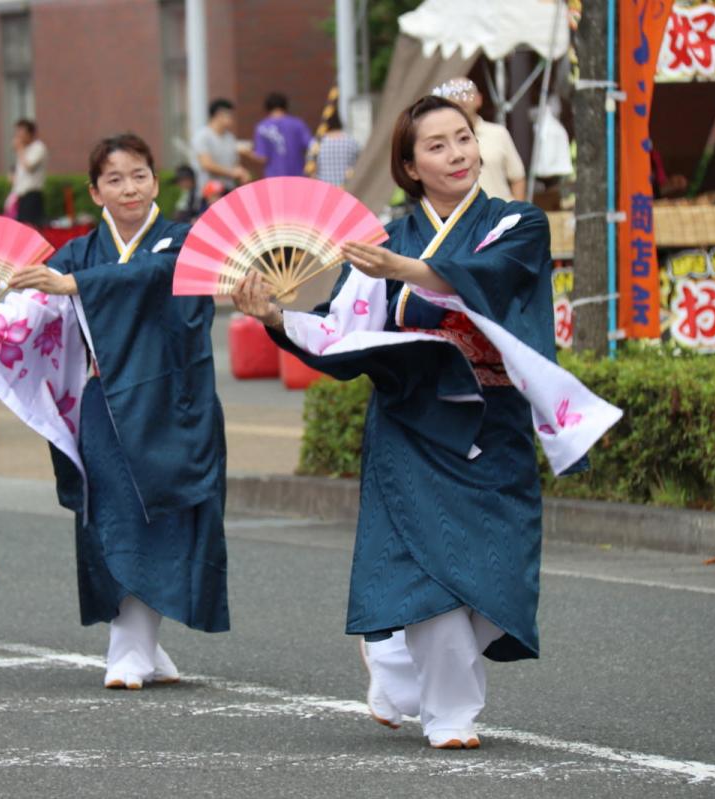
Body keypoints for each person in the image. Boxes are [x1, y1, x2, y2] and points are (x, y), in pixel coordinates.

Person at [232, 95, 569, 749]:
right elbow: (339, 333)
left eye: (464, 138)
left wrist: (406, 271)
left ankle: (390, 651)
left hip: (494, 420)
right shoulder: (383, 241)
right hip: (411, 423)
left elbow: (491, 276)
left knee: (500, 576)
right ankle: (450, 715)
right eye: (437, 146)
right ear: (410, 167)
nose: (458, 154)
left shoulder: (517, 223)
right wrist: (274, 316)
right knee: (431, 574)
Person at [0, 133, 230, 689]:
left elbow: (153, 276)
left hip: (174, 407)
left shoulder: (182, 241)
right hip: (107, 407)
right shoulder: (77, 252)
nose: (130, 188)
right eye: (114, 179)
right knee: (114, 516)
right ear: (95, 192)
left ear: (156, 182)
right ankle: (131, 646)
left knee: (167, 520)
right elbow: (28, 311)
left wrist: (77, 285)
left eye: (139, 175)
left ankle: (143, 643)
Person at [433, 78, 525, 201]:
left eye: (466, 92)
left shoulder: (498, 133)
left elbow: (517, 177)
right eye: (454, 94)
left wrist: (517, 210)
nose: (461, 99)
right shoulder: (438, 140)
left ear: (478, 99)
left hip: (501, 210)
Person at [192, 98, 250, 196]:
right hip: (210, 193)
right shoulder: (202, 136)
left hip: (228, 190)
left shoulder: (230, 137)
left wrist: (242, 173)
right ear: (219, 115)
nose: (232, 120)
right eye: (230, 116)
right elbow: (206, 164)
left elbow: (235, 163)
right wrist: (232, 172)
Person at [250, 92, 314, 178]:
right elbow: (312, 146)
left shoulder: (262, 127)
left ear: (267, 107)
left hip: (273, 177)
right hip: (297, 175)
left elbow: (262, 158)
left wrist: (247, 152)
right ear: (285, 106)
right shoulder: (297, 124)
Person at [9, 119, 48, 228]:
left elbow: (29, 167)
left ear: (30, 133)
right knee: (21, 228)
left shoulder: (38, 147)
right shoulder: (24, 150)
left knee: (31, 227)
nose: (19, 137)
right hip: (21, 196)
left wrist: (20, 149)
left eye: (21, 133)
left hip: (32, 195)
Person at [315, 108, 362, 188]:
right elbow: (360, 164)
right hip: (348, 189)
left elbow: (312, 170)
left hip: (325, 190)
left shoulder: (318, 144)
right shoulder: (352, 142)